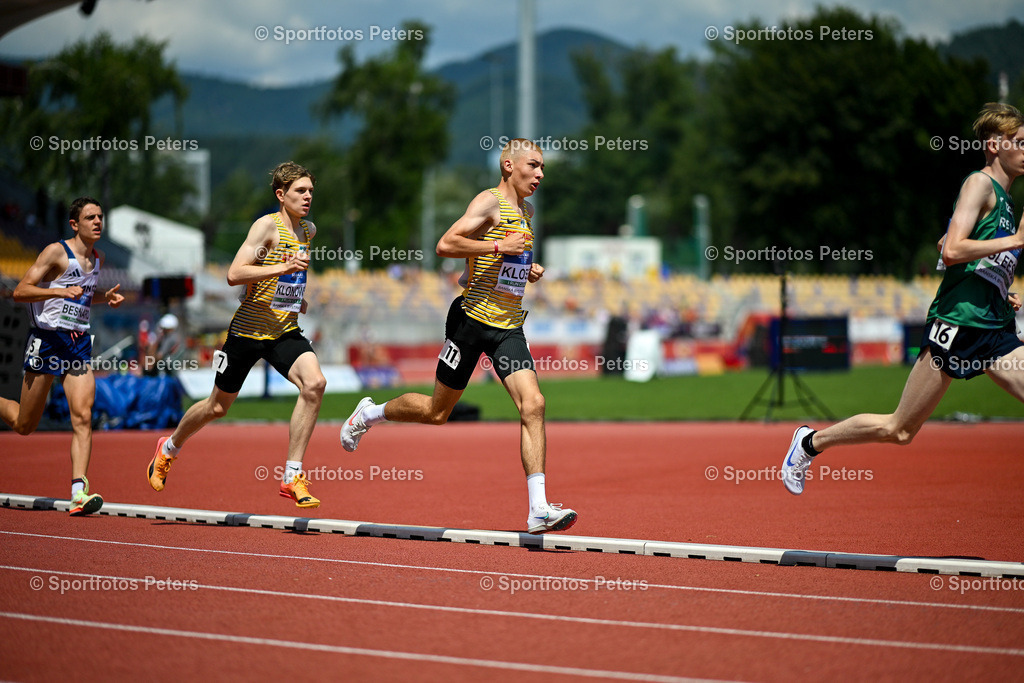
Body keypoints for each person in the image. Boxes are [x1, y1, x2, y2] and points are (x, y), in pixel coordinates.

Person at [782, 102, 1024, 494]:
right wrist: (1014, 241)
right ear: (995, 145)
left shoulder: (1007, 203)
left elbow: (959, 249)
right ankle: (809, 443)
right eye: (1020, 142)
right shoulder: (978, 184)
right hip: (958, 325)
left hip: (993, 327)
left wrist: (1000, 287)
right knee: (899, 429)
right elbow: (952, 251)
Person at [340, 138, 577, 534]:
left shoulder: (528, 212)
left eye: (542, 169)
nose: (539, 175)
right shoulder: (488, 203)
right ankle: (369, 414)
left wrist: (526, 268)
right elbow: (446, 244)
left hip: (508, 328)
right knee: (437, 412)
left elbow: (482, 265)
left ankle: (538, 509)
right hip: (469, 323)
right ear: (507, 165)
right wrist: (500, 245)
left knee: (533, 404)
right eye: (532, 166)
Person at [147, 162, 327, 507]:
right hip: (247, 332)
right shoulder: (266, 227)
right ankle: (168, 449)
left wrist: (295, 297)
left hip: (283, 331)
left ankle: (292, 477)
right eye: (300, 191)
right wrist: (284, 267)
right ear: (281, 194)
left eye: (310, 192)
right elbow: (234, 274)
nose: (307, 197)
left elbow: (284, 278)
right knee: (217, 407)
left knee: (315, 384)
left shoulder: (308, 231)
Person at [0, 197, 125, 514]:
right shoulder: (57, 252)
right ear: (75, 224)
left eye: (100, 216)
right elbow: (20, 291)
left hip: (78, 344)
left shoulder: (97, 258)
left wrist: (103, 297)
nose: (97, 222)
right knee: (24, 424)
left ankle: (78, 492)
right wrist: (55, 289)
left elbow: (80, 296)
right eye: (90, 218)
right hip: (46, 342)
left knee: (83, 416)